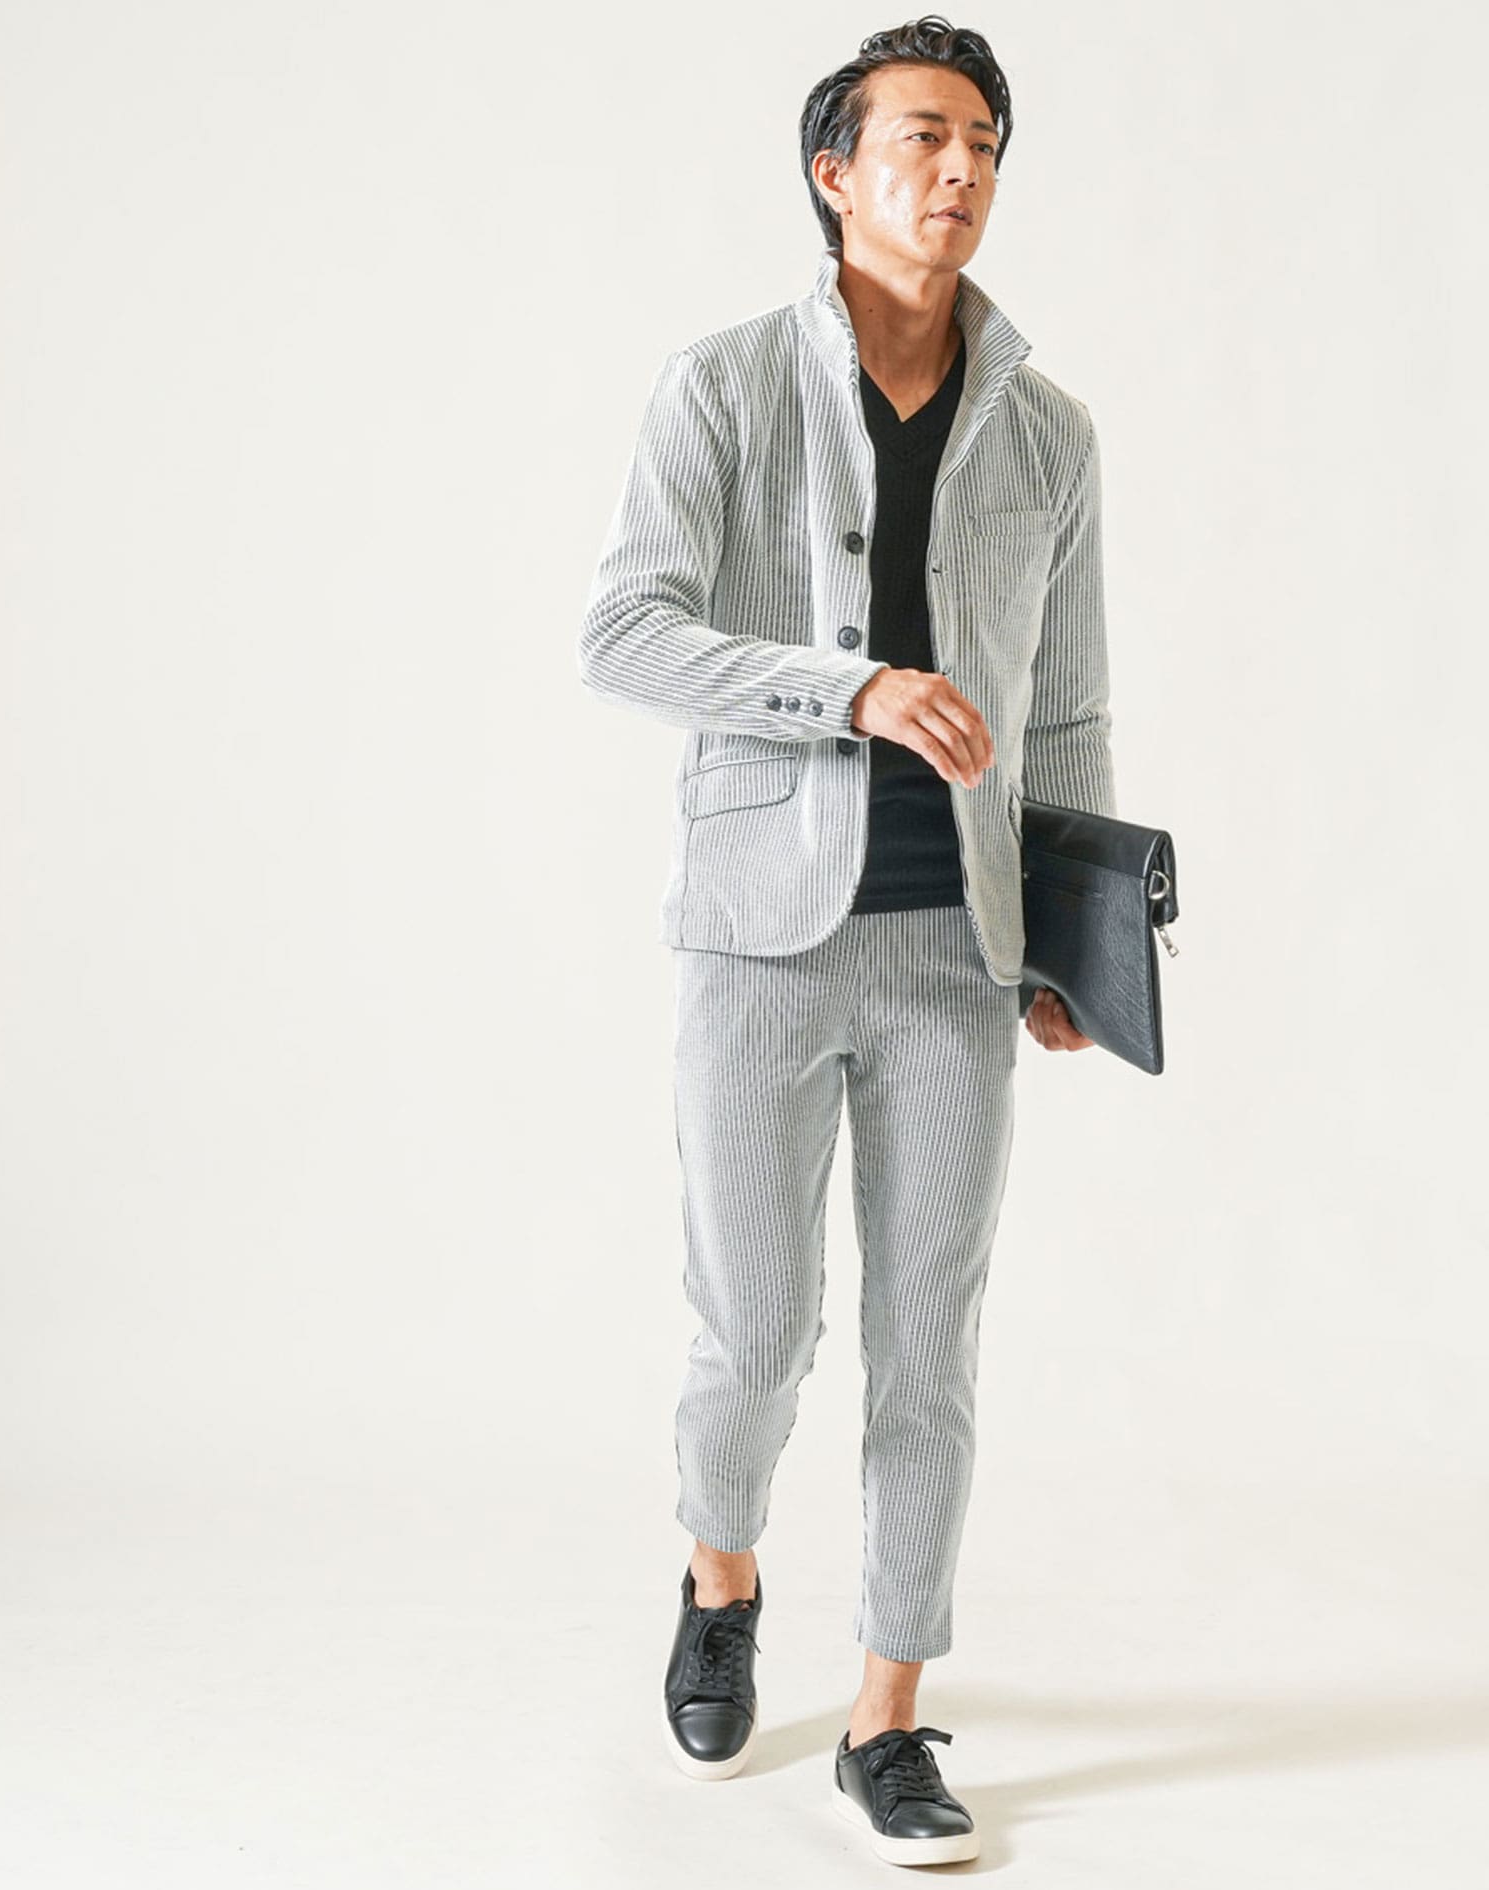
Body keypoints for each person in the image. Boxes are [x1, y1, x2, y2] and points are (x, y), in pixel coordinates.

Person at [578, 15, 1117, 1867]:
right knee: (753, 1332)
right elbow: (622, 631)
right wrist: (852, 688)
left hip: (955, 957)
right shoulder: (723, 390)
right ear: (837, 171)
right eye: (924, 137)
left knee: (929, 1352)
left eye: (986, 144)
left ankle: (889, 1713)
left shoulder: (1050, 432)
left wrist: (1067, 939)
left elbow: (1068, 711)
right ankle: (720, 1577)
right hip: (758, 940)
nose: (961, 170)